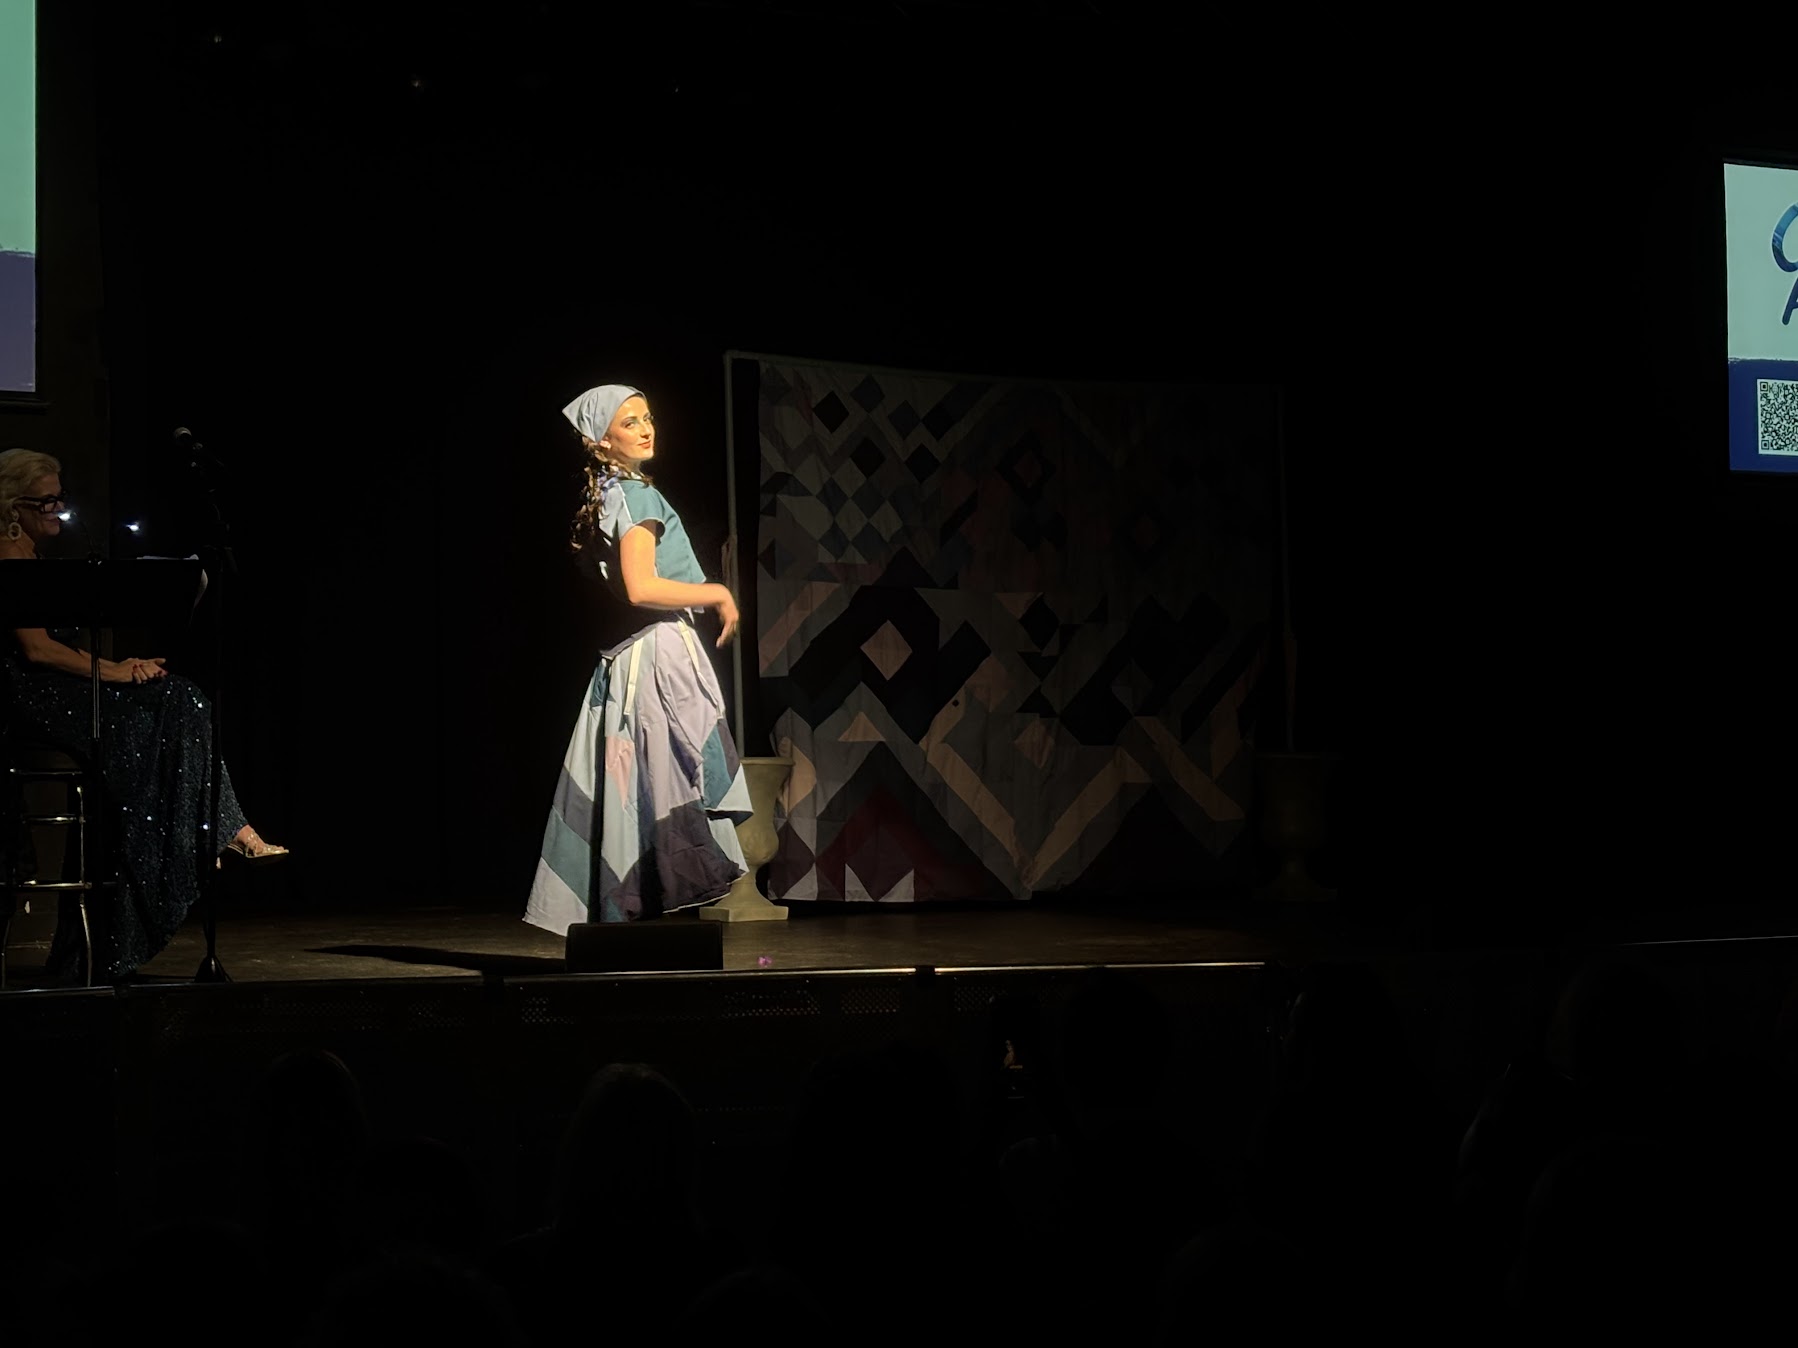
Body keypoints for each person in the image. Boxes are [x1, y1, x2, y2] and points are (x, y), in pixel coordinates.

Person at [0, 447, 286, 981]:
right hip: (30, 698)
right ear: (14, 507)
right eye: (47, 501)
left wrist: (123, 667)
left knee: (179, 696)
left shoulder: (33, 556)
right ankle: (212, 829)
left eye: (60, 498)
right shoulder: (6, 556)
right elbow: (36, 652)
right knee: (173, 705)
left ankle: (218, 826)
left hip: (62, 687)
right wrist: (113, 671)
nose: (58, 509)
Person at [525, 384, 751, 931]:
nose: (646, 428)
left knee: (639, 789)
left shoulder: (608, 495)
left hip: (630, 657)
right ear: (602, 440)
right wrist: (717, 592)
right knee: (666, 781)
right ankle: (657, 911)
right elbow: (641, 586)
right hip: (654, 654)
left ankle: (641, 912)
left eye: (647, 417)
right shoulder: (633, 496)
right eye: (630, 422)